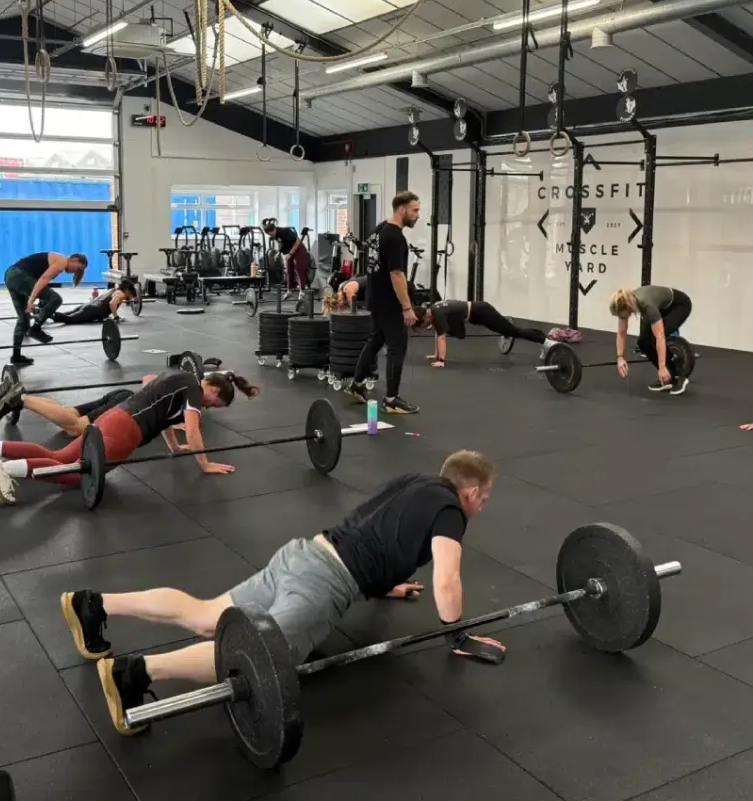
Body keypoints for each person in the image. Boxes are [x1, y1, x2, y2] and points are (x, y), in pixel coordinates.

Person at [58, 450, 502, 735]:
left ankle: (93, 604)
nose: (483, 506)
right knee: (257, 657)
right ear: (470, 491)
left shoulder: (415, 481)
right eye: (484, 499)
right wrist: (458, 636)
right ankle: (133, 675)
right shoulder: (451, 511)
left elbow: (381, 532)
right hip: (324, 584)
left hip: (305, 553)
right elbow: (447, 579)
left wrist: (383, 583)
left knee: (206, 615)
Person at [0, 368, 259, 505]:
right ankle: (4, 470)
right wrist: (205, 464)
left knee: (59, 457)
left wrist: (173, 446)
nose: (209, 407)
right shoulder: (194, 390)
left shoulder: (177, 375)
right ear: (213, 390)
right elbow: (192, 429)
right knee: (73, 474)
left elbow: (155, 399)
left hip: (115, 415)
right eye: (214, 403)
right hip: (126, 431)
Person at [345, 191, 421, 415]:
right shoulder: (395, 237)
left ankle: (357, 385)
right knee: (397, 348)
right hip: (390, 303)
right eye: (414, 210)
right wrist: (407, 307)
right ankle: (391, 400)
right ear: (402, 209)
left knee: (375, 342)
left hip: (375, 299)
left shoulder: (378, 230)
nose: (417, 215)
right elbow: (396, 274)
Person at [4, 251, 88, 367]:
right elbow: (43, 279)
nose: (75, 272)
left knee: (24, 318)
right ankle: (36, 328)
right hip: (19, 275)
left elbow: (38, 283)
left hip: (11, 275)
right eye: (78, 269)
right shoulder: (62, 262)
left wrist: (33, 302)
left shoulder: (57, 261)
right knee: (56, 299)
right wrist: (31, 300)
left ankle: (16, 356)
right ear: (74, 260)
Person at [609, 286, 693, 394]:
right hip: (660, 308)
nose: (621, 318)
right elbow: (621, 332)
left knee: (654, 338)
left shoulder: (646, 305)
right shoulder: (626, 302)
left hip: (679, 305)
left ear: (628, 307)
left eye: (621, 315)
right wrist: (620, 357)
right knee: (643, 342)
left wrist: (662, 366)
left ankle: (678, 376)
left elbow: (660, 336)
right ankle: (668, 377)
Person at [418, 300, 545, 367]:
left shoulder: (438, 314)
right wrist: (436, 355)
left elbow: (441, 337)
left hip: (482, 312)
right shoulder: (434, 310)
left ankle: (545, 340)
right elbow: (438, 332)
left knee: (515, 332)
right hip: (477, 314)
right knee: (453, 331)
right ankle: (505, 327)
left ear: (425, 317)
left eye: (422, 325)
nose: (424, 328)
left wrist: (441, 360)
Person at [53, 280, 138, 325]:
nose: (128, 296)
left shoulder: (113, 290)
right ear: (127, 289)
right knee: (69, 319)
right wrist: (116, 317)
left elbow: (106, 301)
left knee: (65, 315)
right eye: (130, 293)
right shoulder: (121, 293)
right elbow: (112, 303)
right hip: (92, 310)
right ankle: (48, 313)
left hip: (89, 306)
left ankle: (49, 314)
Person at [263, 219, 311, 294]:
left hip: (298, 248)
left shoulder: (285, 232)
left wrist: (290, 254)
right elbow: (283, 244)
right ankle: (289, 290)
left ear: (274, 229)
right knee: (289, 269)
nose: (271, 235)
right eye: (269, 234)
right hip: (290, 250)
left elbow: (297, 241)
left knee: (299, 268)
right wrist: (278, 253)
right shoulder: (276, 235)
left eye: (271, 233)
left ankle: (302, 289)